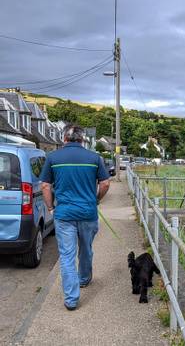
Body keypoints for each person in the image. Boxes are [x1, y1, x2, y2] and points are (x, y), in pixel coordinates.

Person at [40, 124, 110, 311]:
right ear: (82, 139)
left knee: (67, 255)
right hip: (88, 213)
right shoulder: (95, 158)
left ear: (64, 139)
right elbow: (104, 183)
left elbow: (45, 186)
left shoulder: (53, 157)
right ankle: (84, 279)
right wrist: (95, 200)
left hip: (64, 215)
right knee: (86, 248)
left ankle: (71, 299)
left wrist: (50, 207)